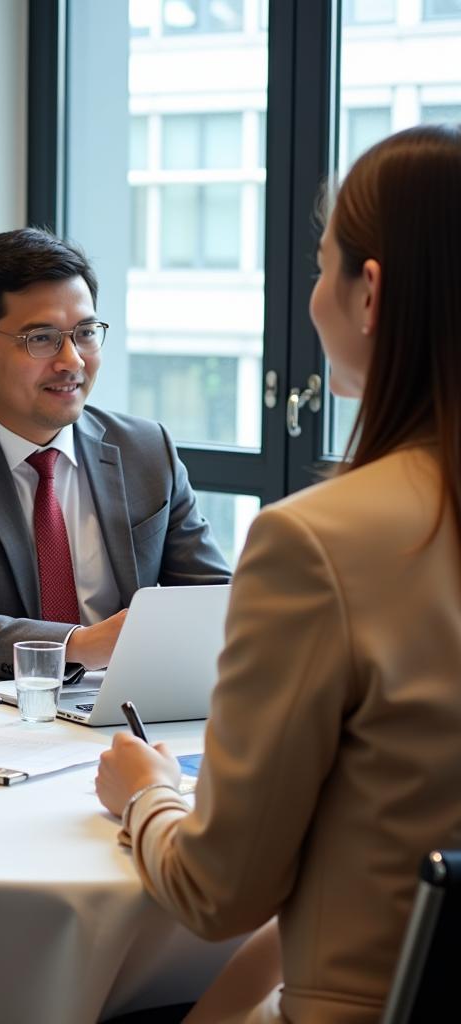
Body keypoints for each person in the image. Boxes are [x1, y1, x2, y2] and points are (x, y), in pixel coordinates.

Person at [95, 124, 461, 1024]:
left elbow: (218, 892)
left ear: (367, 292)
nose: (312, 295)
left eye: (321, 262)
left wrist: (146, 795)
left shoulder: (318, 542)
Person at [0, 227, 229, 678]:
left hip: (129, 707)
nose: (72, 360)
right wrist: (78, 644)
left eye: (85, 333)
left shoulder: (145, 450)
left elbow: (215, 598)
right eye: (41, 338)